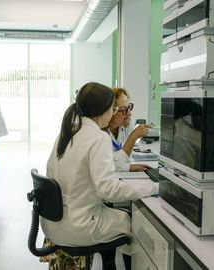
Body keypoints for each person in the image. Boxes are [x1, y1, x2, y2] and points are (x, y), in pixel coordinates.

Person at [42, 82, 158, 270]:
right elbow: (109, 190)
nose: (114, 113)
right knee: (136, 223)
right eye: (113, 109)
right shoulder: (98, 137)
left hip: (54, 224)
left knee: (120, 216)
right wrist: (153, 188)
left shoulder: (69, 131)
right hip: (79, 225)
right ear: (102, 111)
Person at [108, 87, 152, 172]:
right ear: (112, 111)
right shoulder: (101, 131)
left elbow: (126, 158)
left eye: (129, 107)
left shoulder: (125, 126)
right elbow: (106, 165)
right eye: (124, 110)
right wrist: (133, 137)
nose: (129, 113)